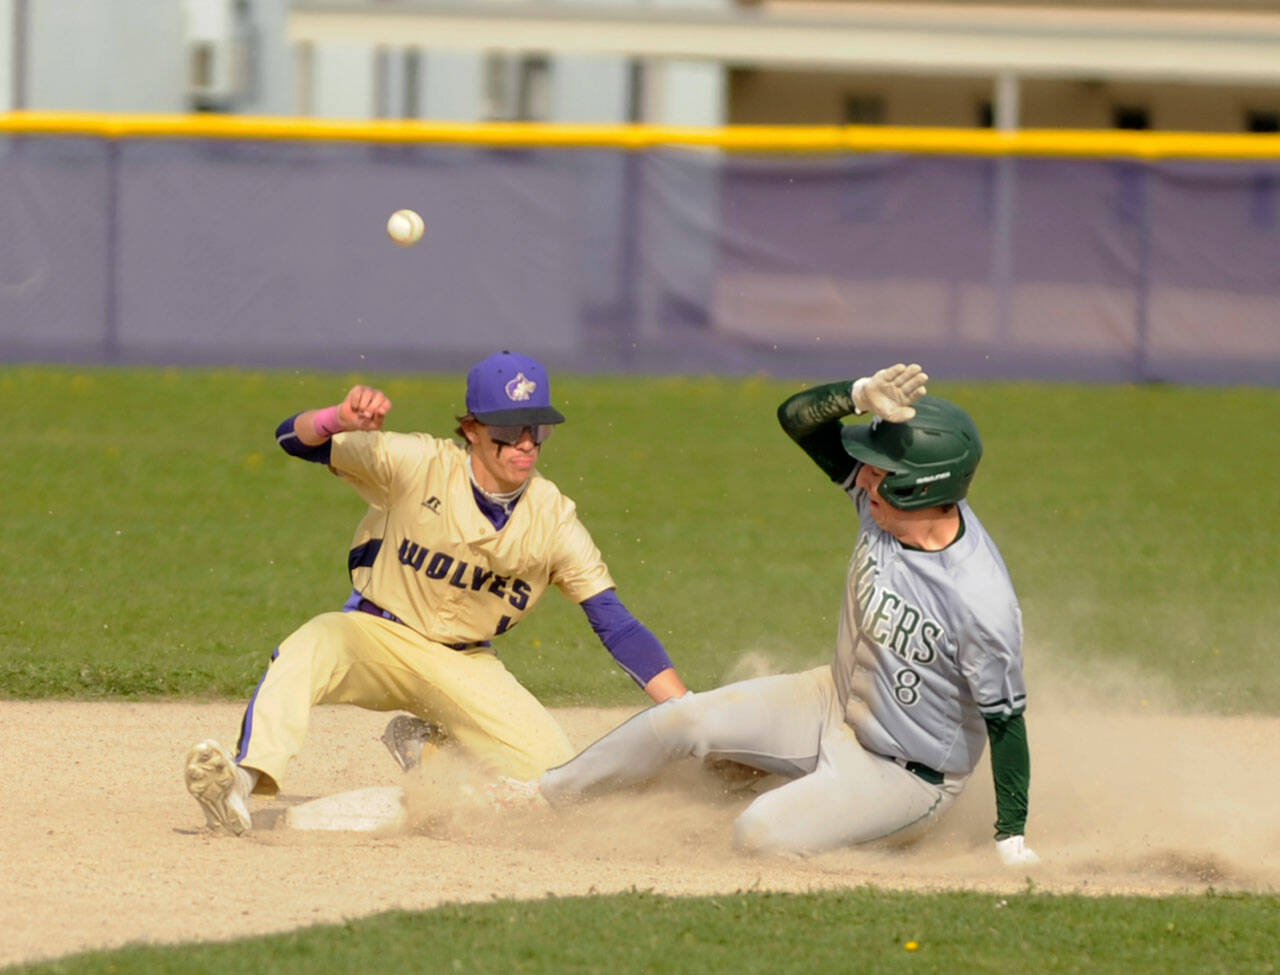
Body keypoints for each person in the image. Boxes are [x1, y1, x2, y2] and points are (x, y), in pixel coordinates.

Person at [500, 364, 1038, 866]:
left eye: (881, 469)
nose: (865, 476)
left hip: (906, 776)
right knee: (681, 719)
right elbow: (795, 420)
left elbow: (1005, 722)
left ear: (918, 486)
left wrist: (1010, 837)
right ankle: (546, 796)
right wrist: (852, 395)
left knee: (758, 834)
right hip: (833, 702)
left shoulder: (980, 599)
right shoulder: (881, 508)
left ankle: (809, 800)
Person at [184, 350, 688, 835]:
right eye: (510, 430)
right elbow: (293, 440)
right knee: (312, 644)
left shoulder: (553, 517)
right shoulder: (418, 462)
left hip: (466, 666)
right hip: (375, 635)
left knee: (556, 785)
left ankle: (430, 751)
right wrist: (337, 416)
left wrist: (687, 713)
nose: (527, 444)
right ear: (471, 429)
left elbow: (614, 622)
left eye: (539, 429)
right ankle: (242, 780)